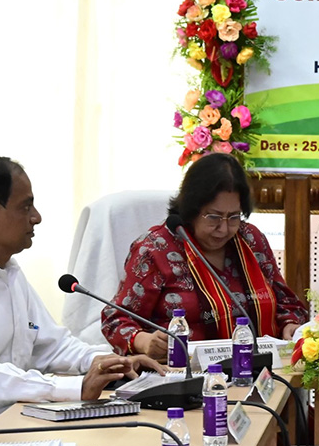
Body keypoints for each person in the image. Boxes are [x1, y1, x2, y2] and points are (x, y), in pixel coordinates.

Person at [0, 156, 162, 427]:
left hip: (20, 419)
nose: (37, 217)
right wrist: (72, 389)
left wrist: (111, 363)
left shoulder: (9, 272)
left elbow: (53, 345)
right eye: (26, 206)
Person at [101, 154, 307, 359]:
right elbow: (115, 320)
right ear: (192, 209)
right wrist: (144, 342)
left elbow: (288, 304)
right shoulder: (155, 249)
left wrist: (290, 325)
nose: (224, 229)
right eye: (214, 217)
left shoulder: (251, 240)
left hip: (259, 370)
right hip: (181, 376)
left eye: (234, 217)